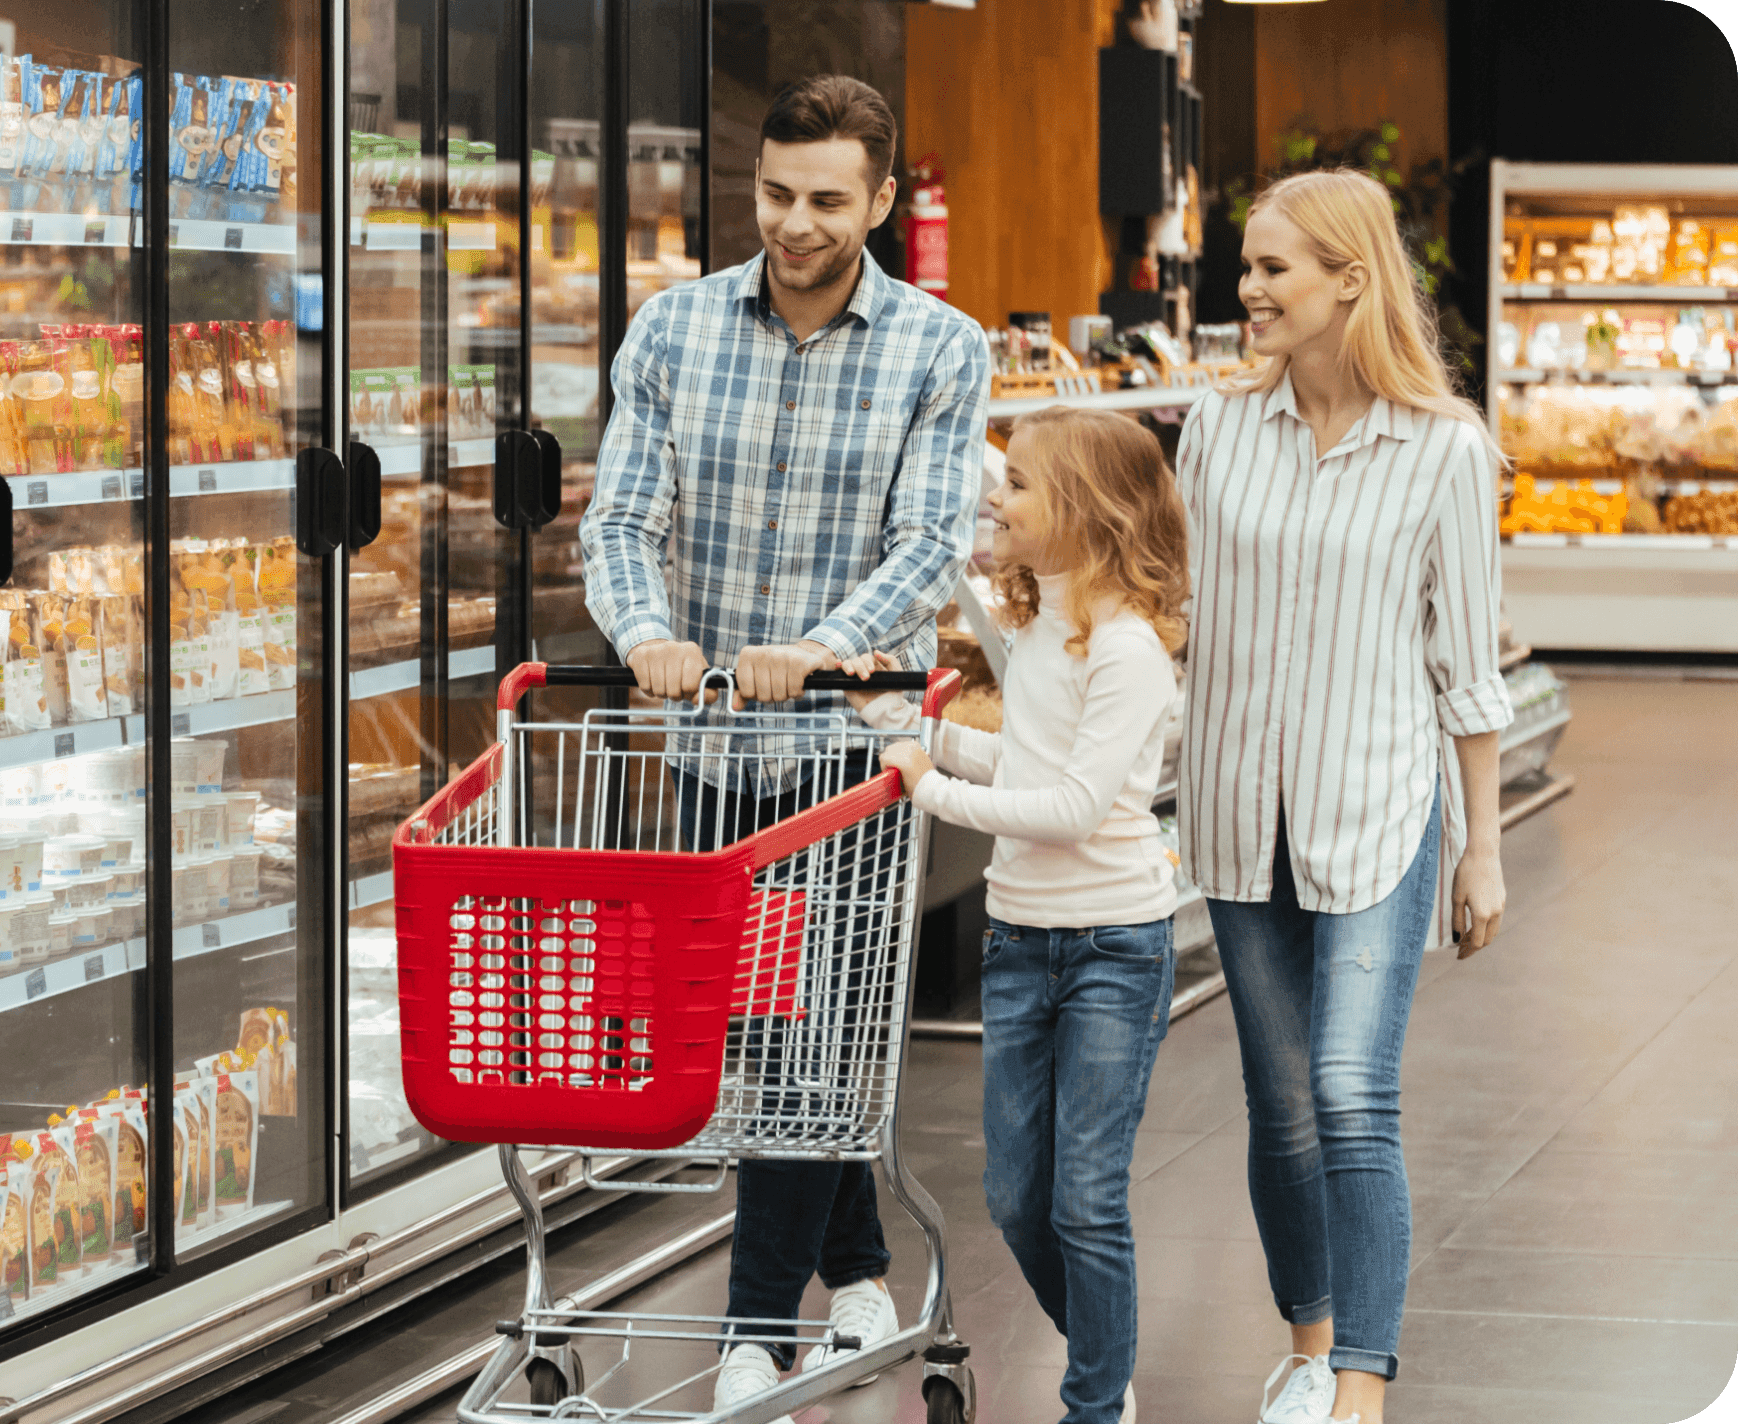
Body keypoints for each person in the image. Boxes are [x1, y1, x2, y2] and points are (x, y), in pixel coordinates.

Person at [579, 74, 988, 1418]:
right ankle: (860, 1266)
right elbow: (622, 519)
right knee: (765, 1034)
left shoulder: (939, 346)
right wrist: (645, 630)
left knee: (822, 1045)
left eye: (827, 200)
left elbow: (930, 543)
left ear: (879, 201)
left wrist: (816, 648)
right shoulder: (674, 327)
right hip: (708, 753)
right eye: (774, 195)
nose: (796, 224)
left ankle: (756, 1329)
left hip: (854, 750)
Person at [1175, 169, 1512, 1424]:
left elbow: (1464, 665)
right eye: (1246, 266)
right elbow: (1181, 608)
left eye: (1270, 269)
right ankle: (1309, 1341)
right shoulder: (1215, 429)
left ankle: (1361, 1384)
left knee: (1348, 1089)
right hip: (1231, 812)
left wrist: (1481, 846)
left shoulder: (1443, 450)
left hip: (1373, 806)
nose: (1245, 290)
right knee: (1278, 1102)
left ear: (1348, 282)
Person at [842, 407, 1189, 1424]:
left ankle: (1093, 1401)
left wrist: (923, 789)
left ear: (1088, 510)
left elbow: (1075, 808)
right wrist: (913, 731)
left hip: (1111, 951)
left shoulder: (1126, 651)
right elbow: (1026, 763)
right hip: (1017, 944)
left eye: (1023, 484)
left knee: (1083, 1196)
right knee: (1010, 1196)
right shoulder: (1042, 628)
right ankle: (1103, 1353)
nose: (1000, 497)